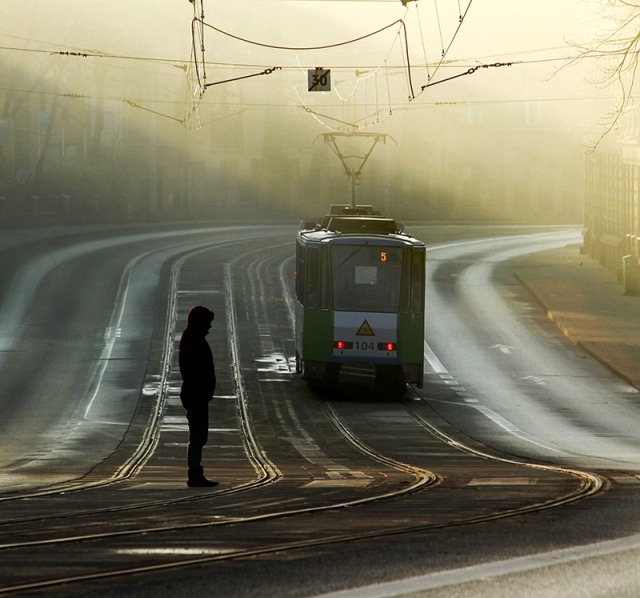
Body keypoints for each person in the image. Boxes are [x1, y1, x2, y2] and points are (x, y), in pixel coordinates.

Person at [178, 305, 218, 488]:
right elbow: (194, 368)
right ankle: (194, 474)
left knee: (199, 435)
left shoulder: (194, 337)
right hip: (196, 394)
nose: (209, 327)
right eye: (207, 323)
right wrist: (203, 389)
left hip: (197, 394)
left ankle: (196, 472)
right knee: (197, 435)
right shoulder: (194, 339)